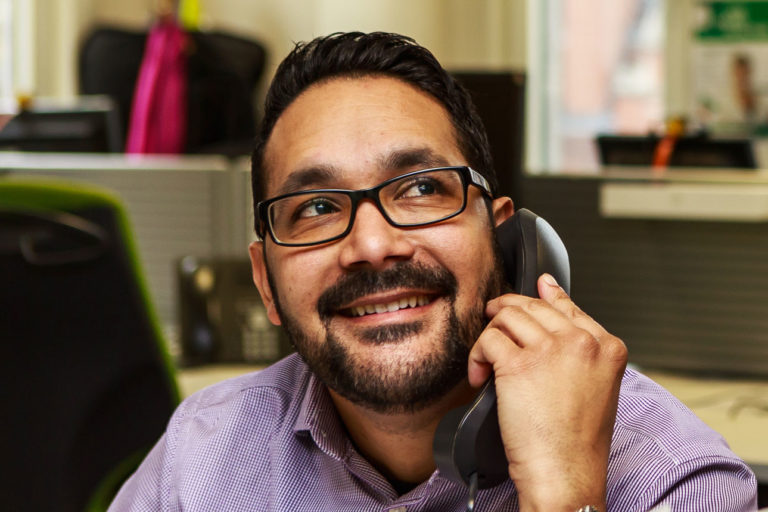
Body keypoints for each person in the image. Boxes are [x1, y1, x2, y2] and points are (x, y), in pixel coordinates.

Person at [109, 32, 757, 511]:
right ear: (266, 284)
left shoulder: (674, 480)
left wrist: (567, 496)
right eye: (314, 206)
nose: (371, 244)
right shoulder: (202, 460)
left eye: (420, 190)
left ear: (503, 240)